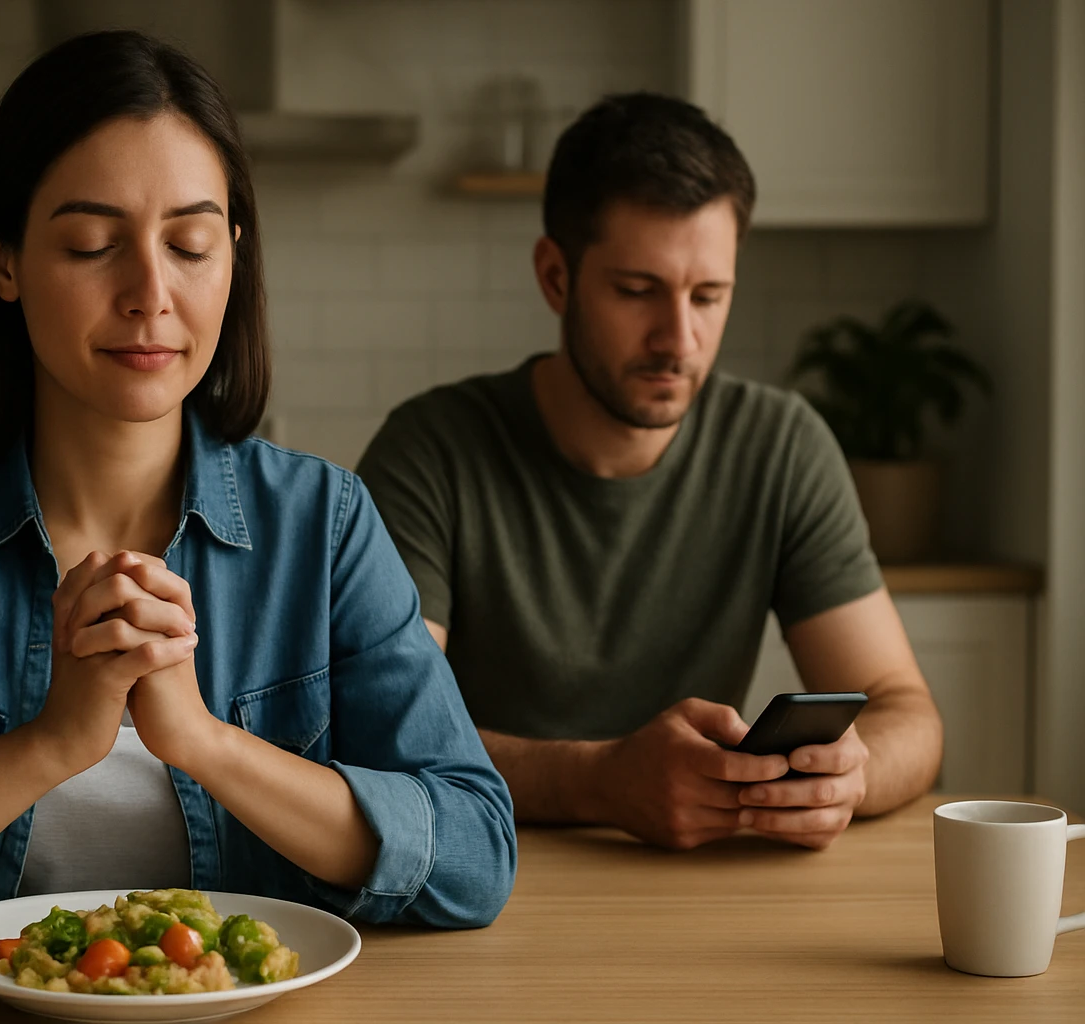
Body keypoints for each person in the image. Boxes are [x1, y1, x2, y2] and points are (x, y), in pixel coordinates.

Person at [0, 31, 515, 955]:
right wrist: (52, 742)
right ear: (3, 258)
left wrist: (204, 741)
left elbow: (473, 853)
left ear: (233, 255)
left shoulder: (326, 524)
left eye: (189, 244)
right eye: (93, 244)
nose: (150, 292)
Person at [356, 93, 942, 852]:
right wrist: (598, 781)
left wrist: (850, 775)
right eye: (637, 292)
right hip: (482, 874)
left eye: (709, 295)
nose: (680, 338)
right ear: (555, 277)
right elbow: (379, 731)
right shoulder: (432, 450)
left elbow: (909, 715)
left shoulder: (781, 445)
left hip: (701, 892)